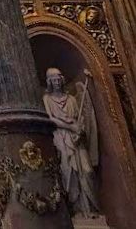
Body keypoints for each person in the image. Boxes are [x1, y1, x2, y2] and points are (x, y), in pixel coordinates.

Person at [42, 67, 100, 215]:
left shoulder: (72, 99)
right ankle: (76, 211)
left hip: (77, 139)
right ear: (49, 82)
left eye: (58, 78)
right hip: (61, 137)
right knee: (67, 171)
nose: (56, 82)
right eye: (53, 79)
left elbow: (80, 120)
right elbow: (51, 119)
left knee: (87, 170)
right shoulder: (47, 99)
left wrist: (79, 131)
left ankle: (91, 208)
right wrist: (71, 127)